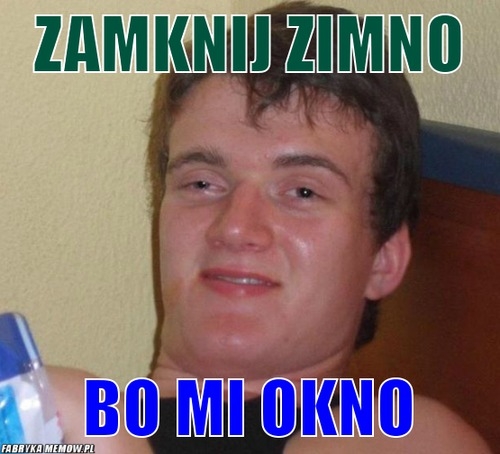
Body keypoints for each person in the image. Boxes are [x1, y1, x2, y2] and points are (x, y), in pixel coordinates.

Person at [47, 1, 491, 453]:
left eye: (303, 192)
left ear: (383, 260)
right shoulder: (63, 422)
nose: (236, 228)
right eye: (202, 183)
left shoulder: (400, 433)